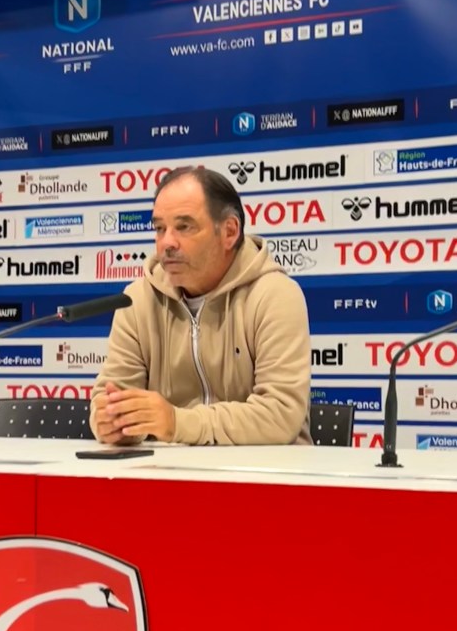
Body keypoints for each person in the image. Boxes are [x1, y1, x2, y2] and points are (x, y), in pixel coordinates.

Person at [90, 166, 312, 445]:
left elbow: (279, 415)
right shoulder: (137, 299)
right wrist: (111, 420)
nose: (167, 243)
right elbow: (111, 395)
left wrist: (177, 422)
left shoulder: (275, 295)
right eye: (159, 228)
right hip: (169, 468)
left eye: (184, 227)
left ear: (229, 232)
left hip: (265, 469)